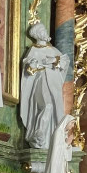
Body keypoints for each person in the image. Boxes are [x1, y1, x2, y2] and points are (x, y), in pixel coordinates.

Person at [20, 21, 69, 149]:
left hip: (52, 83)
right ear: (37, 35)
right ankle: (39, 132)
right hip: (40, 81)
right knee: (46, 105)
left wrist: (54, 61)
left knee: (52, 107)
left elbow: (64, 61)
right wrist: (33, 65)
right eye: (42, 32)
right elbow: (28, 67)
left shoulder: (52, 50)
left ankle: (44, 136)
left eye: (44, 31)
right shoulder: (33, 50)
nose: (45, 33)